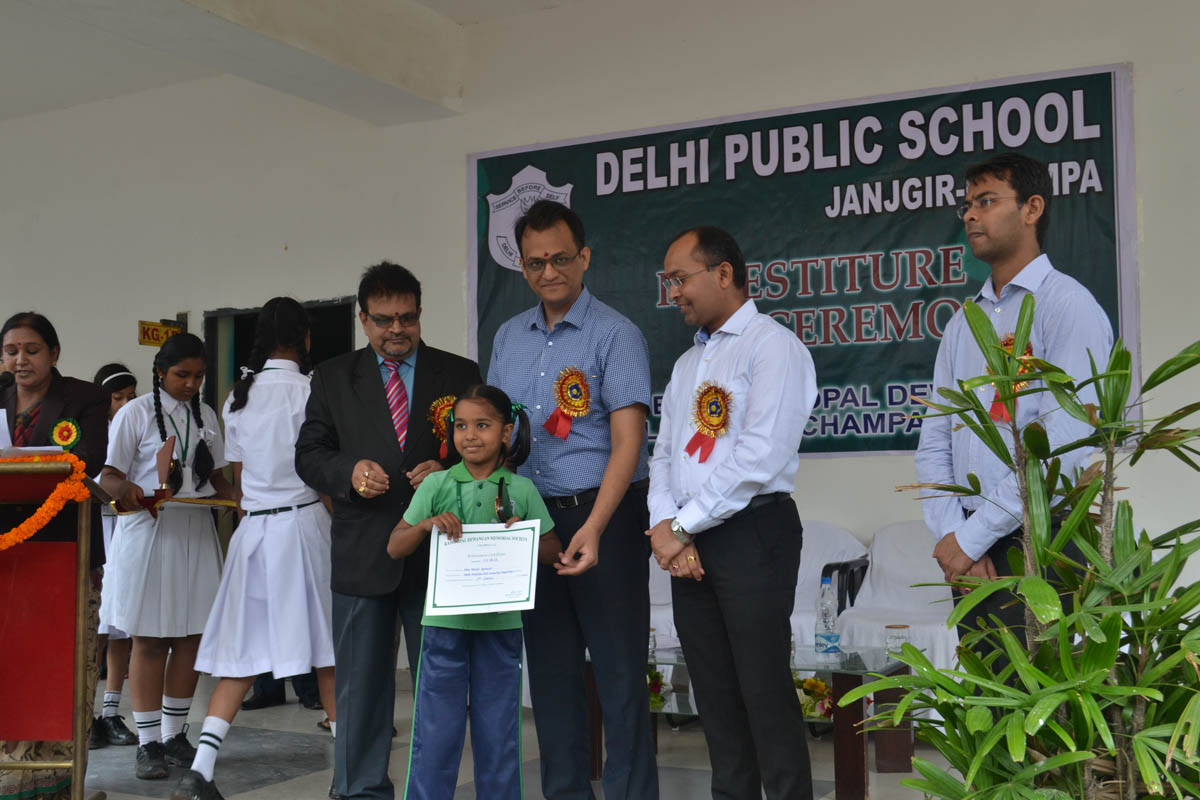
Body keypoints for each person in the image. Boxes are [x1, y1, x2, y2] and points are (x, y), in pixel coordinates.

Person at [487, 199, 658, 800]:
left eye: (560, 258)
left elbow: (629, 443)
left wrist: (596, 525)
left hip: (604, 516)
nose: (549, 272)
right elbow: (498, 434)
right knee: (552, 677)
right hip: (533, 521)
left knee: (619, 677)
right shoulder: (508, 337)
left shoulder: (616, 333)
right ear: (522, 267)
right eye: (535, 263)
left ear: (583, 257)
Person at [295, 262, 481, 800]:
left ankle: (432, 788)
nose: (396, 329)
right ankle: (359, 789)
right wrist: (349, 473)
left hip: (440, 550)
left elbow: (488, 446)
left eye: (407, 318)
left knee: (440, 686)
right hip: (364, 549)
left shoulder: (458, 373)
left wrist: (450, 470)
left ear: (420, 314)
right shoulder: (332, 377)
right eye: (383, 320)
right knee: (360, 687)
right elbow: (309, 454)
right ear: (363, 319)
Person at [915, 152, 1113, 646]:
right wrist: (953, 538)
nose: (969, 215)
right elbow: (935, 439)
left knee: (1042, 690)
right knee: (984, 687)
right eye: (966, 205)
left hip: (1045, 540)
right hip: (970, 553)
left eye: (986, 201)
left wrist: (972, 537)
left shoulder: (1066, 306)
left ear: (1032, 209)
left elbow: (1061, 446)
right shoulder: (964, 322)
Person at [648, 226, 818, 800]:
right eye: (668, 281)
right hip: (690, 542)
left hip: (752, 533)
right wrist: (666, 527)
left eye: (680, 278)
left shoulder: (773, 347)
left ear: (723, 274)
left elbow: (759, 456)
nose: (673, 292)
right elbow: (664, 455)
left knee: (764, 693)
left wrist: (681, 525)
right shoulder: (686, 364)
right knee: (715, 697)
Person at [171, 298, 336, 800]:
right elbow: (320, 472)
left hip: (254, 532)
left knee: (241, 655)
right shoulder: (313, 390)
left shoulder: (236, 398)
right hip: (304, 524)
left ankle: (201, 768)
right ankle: (350, 770)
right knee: (329, 651)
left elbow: (240, 483)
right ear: (305, 338)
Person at [387, 385, 556, 800]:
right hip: (443, 627)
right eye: (461, 426)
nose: (470, 435)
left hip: (501, 628)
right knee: (435, 733)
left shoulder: (521, 490)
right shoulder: (436, 485)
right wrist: (424, 526)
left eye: (482, 425)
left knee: (499, 733)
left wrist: (523, 534)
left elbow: (553, 550)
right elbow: (394, 545)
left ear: (506, 432)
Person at [98, 332, 237, 780]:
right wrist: (129, 490)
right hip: (150, 532)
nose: (191, 384)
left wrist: (242, 500)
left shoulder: (207, 415)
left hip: (196, 530)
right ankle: (148, 742)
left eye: (199, 376)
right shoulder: (135, 413)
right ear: (160, 372)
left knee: (193, 637)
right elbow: (109, 476)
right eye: (182, 375)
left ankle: (175, 735)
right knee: (151, 639)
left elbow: (217, 477)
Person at [0, 312, 108, 800]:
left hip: (65, 548)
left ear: (54, 353)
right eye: (11, 351)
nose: (20, 360)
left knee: (60, 667)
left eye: (32, 350)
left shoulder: (84, 398)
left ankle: (60, 784)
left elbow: (89, 460)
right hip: (7, 553)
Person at [91, 362, 139, 748]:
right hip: (96, 532)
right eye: (117, 397)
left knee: (120, 626)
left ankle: (110, 713)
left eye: (131, 397)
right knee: (95, 628)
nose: (125, 405)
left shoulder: (137, 429)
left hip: (125, 530)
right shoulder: (90, 433)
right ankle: (86, 714)